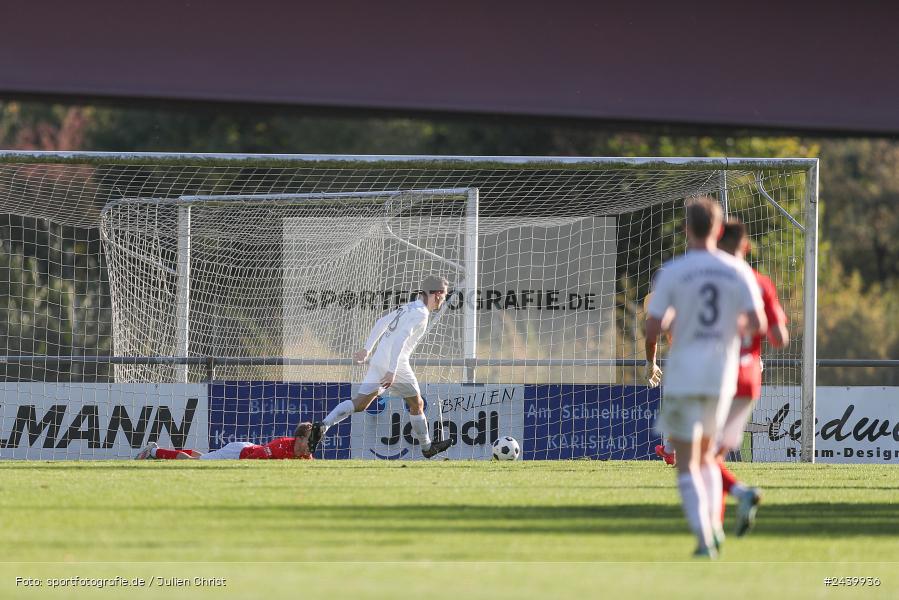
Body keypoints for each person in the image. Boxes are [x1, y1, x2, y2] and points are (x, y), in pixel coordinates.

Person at [644, 197, 766, 559]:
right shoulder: (737, 270)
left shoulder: (674, 271)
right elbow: (757, 324)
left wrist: (662, 339)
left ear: (686, 229)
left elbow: (653, 327)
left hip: (684, 373)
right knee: (709, 456)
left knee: (687, 461)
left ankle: (705, 537)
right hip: (723, 373)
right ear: (718, 229)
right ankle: (713, 528)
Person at [308, 275, 455, 459]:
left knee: (360, 403)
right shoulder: (421, 313)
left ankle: (323, 425)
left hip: (378, 360)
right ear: (438, 294)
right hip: (395, 364)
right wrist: (392, 370)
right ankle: (427, 448)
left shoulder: (409, 307)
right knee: (417, 404)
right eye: (445, 294)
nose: (444, 299)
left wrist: (367, 349)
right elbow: (400, 340)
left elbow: (381, 322)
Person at [715, 218, 789, 536]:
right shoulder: (761, 283)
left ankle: (736, 500)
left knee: (698, 456)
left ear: (718, 244)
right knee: (711, 456)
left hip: (714, 375)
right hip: (748, 378)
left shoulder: (711, 281)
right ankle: (714, 529)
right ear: (746, 246)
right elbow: (780, 339)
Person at [135, 422, 314, 460]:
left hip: (243, 450)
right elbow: (253, 459)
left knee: (204, 458)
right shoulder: (281, 444)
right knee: (194, 464)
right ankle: (152, 451)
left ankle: (155, 451)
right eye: (309, 440)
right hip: (237, 453)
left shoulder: (306, 455)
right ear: (299, 439)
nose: (312, 446)